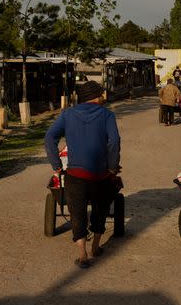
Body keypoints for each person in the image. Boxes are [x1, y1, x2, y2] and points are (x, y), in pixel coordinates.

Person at [44, 81, 121, 269]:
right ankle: (96, 246)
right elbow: (114, 142)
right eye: (101, 94)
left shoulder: (68, 114)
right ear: (96, 96)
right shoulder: (107, 115)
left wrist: (56, 165)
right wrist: (112, 167)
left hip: (75, 174)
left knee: (77, 213)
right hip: (100, 175)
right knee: (100, 209)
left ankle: (82, 254)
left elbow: (49, 137)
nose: (103, 96)